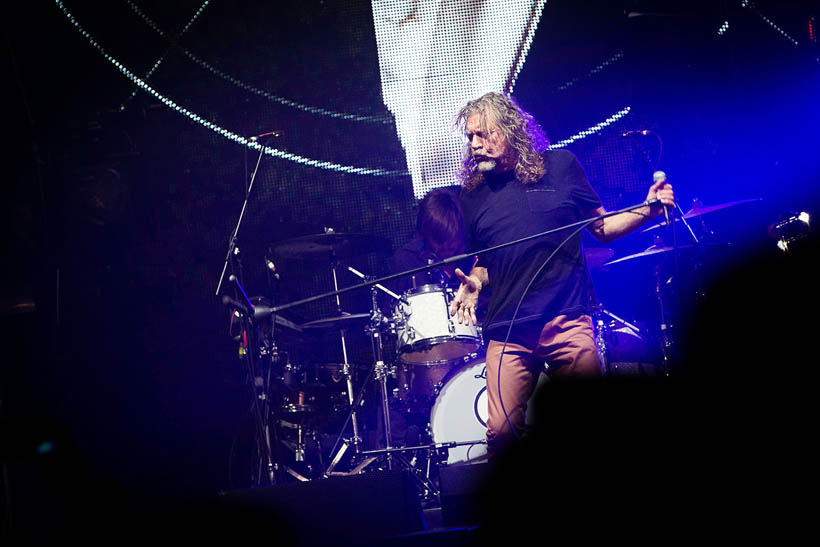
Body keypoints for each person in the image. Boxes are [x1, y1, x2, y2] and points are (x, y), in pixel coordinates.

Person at [448, 92, 675, 459]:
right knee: (502, 432)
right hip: (508, 330)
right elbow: (487, 261)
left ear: (510, 130)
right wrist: (474, 285)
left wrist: (648, 209)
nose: (473, 144)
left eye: (482, 134)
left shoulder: (561, 166)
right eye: (469, 137)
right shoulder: (472, 195)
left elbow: (601, 227)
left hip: (566, 319)